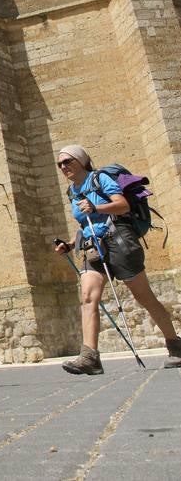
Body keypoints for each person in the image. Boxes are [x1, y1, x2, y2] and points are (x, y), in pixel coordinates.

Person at [54, 144, 181, 375]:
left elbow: (123, 205)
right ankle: (90, 357)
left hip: (119, 242)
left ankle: (175, 344)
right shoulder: (73, 191)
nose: (63, 167)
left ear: (81, 161)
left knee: (145, 298)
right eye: (60, 164)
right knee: (88, 297)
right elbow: (85, 223)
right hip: (93, 247)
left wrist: (96, 206)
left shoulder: (99, 179)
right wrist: (71, 244)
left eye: (67, 161)